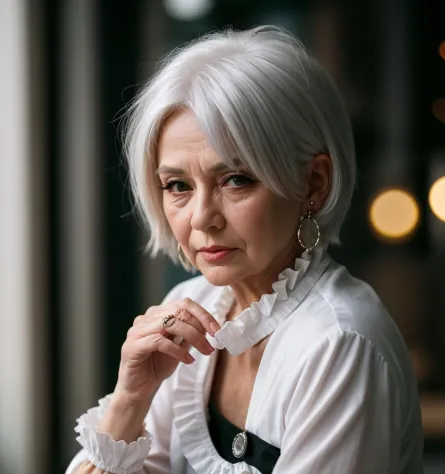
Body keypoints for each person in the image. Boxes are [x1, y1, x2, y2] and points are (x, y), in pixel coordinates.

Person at [65, 25, 424, 474]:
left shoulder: (339, 344)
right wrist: (129, 401)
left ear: (314, 184)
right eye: (177, 185)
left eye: (236, 179)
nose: (200, 217)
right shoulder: (186, 307)